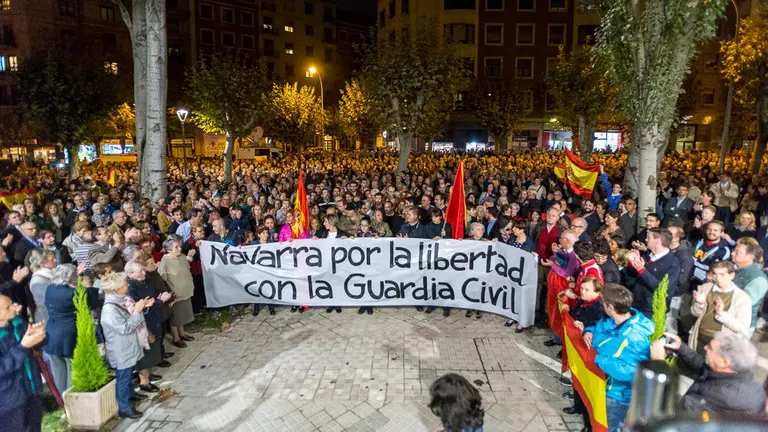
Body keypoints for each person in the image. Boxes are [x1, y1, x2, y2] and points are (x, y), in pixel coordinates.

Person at [582, 284, 653, 432]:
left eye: (604, 304)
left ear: (611, 307)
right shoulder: (610, 320)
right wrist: (588, 331)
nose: (602, 307)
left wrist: (601, 360)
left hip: (615, 395)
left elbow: (633, 372)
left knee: (608, 427)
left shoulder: (636, 338)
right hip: (599, 383)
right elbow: (598, 329)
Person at [651, 332, 767, 419]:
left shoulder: (721, 397)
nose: (705, 348)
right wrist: (681, 347)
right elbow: (703, 368)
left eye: (710, 348)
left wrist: (658, 364)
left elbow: (674, 410)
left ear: (724, 362)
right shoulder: (741, 376)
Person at [99, 272, 152, 419]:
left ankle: (131, 395)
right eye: (124, 285)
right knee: (123, 378)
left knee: (128, 374)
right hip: (120, 350)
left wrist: (142, 307)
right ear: (116, 290)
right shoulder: (110, 309)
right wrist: (137, 311)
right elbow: (125, 328)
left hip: (127, 346)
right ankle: (124, 408)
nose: (127, 285)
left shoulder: (121, 300)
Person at [44, 264, 95, 394]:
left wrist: (74, 275)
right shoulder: (73, 292)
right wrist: (86, 284)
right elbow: (92, 302)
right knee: (71, 366)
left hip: (52, 331)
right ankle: (71, 397)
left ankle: (62, 399)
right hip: (69, 333)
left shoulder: (50, 289)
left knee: (58, 368)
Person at [561, 276, 605, 428]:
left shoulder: (599, 308)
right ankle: (578, 406)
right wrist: (568, 311)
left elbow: (599, 328)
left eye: (587, 290)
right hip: (578, 349)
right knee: (577, 377)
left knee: (587, 385)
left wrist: (585, 328)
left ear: (597, 292)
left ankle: (588, 423)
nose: (582, 292)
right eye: (582, 289)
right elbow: (575, 314)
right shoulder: (582, 301)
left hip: (590, 353)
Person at [0, 291, 47, 431]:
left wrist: (40, 335)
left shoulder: (18, 324)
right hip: (9, 402)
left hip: (32, 390)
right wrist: (23, 347)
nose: (14, 308)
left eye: (12, 304)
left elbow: (36, 344)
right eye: (8, 307)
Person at [688, 260, 752, 354]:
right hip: (700, 337)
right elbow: (694, 313)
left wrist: (722, 315)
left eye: (722, 274)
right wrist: (700, 304)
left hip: (721, 344)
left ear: (732, 275)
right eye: (715, 274)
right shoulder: (705, 288)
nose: (718, 278)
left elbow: (742, 328)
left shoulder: (742, 298)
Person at [627, 228, 680, 318]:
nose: (646, 240)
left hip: (650, 310)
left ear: (658, 241)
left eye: (649, 237)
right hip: (636, 302)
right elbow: (633, 276)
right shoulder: (648, 255)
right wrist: (633, 262)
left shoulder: (672, 264)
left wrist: (642, 270)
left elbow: (662, 289)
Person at [158, 235, 196, 348]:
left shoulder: (182, 257)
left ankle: (182, 333)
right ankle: (176, 338)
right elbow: (163, 279)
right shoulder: (165, 261)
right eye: (176, 247)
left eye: (179, 246)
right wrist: (169, 294)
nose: (179, 249)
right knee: (175, 317)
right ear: (169, 249)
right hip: (175, 294)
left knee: (182, 315)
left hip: (185, 291)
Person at [731, 237, 768, 331]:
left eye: (737, 252)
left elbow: (745, 304)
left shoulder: (759, 279)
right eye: (734, 250)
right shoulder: (734, 268)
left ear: (750, 257)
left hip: (741, 326)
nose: (732, 253)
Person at [691, 221, 731, 291]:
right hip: (691, 279)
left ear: (721, 233)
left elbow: (721, 270)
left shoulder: (724, 250)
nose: (711, 232)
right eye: (709, 229)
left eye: (715, 230)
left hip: (707, 283)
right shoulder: (700, 242)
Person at [28, 248, 57, 323]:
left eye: (55, 258)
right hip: (46, 317)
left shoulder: (51, 274)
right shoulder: (37, 280)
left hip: (54, 314)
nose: (55, 260)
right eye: (52, 259)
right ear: (42, 263)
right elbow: (52, 298)